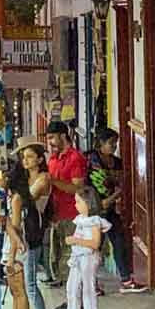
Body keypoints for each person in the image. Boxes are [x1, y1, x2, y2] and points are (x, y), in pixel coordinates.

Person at [87, 126, 144, 292]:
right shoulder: (90, 160)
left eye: (116, 143)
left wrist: (113, 198)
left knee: (119, 242)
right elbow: (85, 185)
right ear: (101, 143)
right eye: (111, 143)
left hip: (110, 209)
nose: (114, 146)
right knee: (94, 247)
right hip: (94, 210)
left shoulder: (117, 162)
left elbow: (120, 185)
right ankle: (91, 283)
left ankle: (126, 280)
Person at [13, 139, 53, 309]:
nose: (25, 160)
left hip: (33, 233)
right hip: (23, 231)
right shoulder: (26, 178)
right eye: (23, 157)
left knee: (30, 283)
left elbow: (26, 199)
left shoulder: (43, 178)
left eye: (29, 156)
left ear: (39, 159)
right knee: (24, 281)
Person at [45, 120, 88, 288]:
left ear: (63, 136)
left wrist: (53, 181)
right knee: (58, 261)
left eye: (52, 138)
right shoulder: (53, 159)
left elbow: (77, 188)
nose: (49, 142)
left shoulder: (75, 158)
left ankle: (77, 305)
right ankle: (69, 302)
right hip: (57, 215)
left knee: (72, 261)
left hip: (72, 216)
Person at [60, 185, 106, 309]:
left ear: (89, 203)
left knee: (88, 288)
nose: (76, 205)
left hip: (88, 257)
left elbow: (95, 243)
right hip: (78, 257)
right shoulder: (79, 219)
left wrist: (75, 241)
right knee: (71, 287)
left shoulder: (94, 221)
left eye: (79, 202)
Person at [3, 159, 31, 309]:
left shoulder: (16, 199)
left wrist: (11, 257)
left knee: (19, 291)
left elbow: (15, 229)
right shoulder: (17, 197)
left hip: (16, 249)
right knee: (15, 291)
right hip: (15, 247)